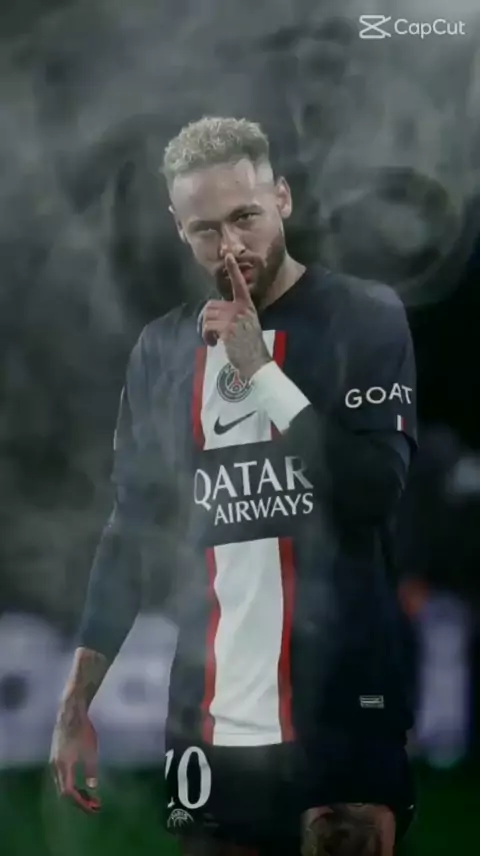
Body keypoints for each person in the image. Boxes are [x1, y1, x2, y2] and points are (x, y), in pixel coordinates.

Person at [50, 117, 418, 856]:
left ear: (282, 197)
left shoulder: (363, 316)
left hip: (343, 702)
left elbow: (374, 489)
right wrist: (77, 699)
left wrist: (262, 373)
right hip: (207, 716)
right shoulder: (161, 350)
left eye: (246, 216)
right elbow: (132, 532)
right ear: (178, 228)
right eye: (205, 229)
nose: (231, 247)